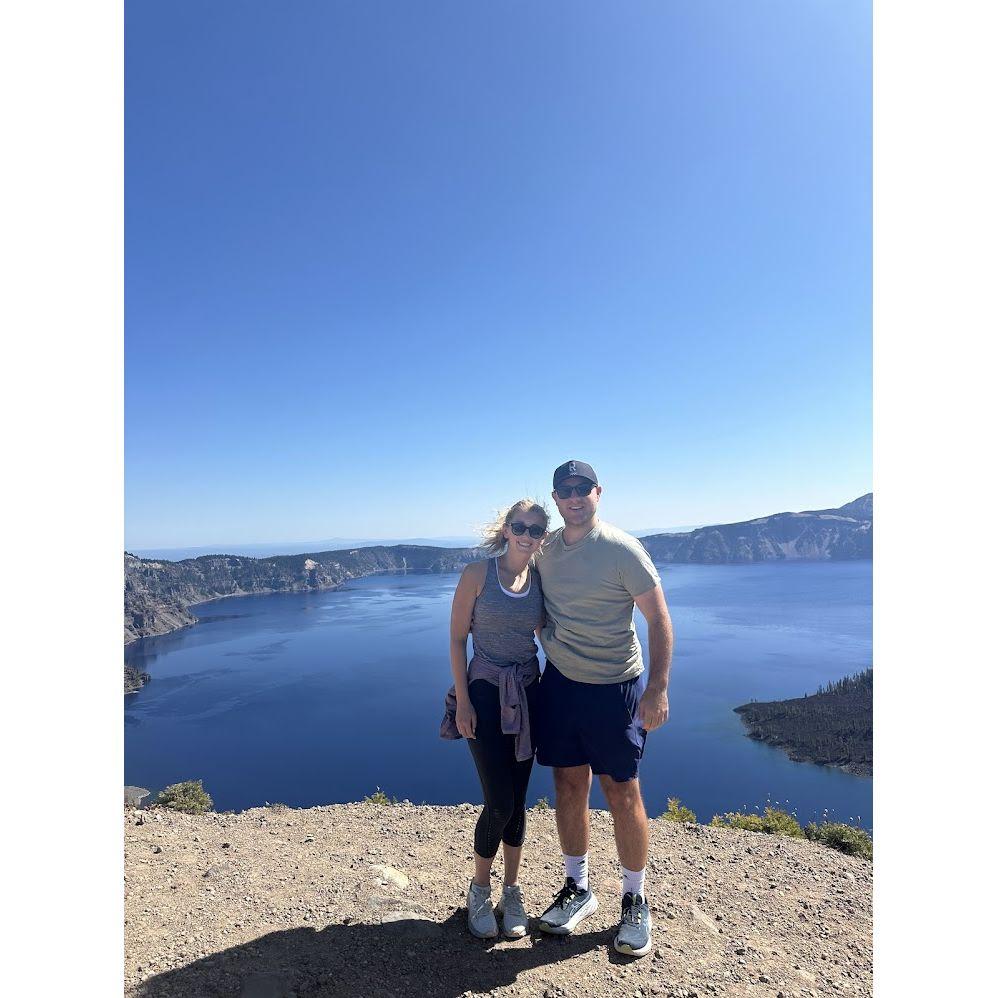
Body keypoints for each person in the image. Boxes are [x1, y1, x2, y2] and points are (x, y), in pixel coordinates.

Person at [532, 460, 674, 957]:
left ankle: (634, 898)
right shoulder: (544, 548)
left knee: (621, 790)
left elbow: (658, 619)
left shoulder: (620, 549)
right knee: (568, 783)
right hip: (562, 684)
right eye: (564, 490)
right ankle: (578, 888)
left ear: (598, 492)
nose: (574, 497)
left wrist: (657, 689)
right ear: (555, 498)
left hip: (615, 687)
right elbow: (520, 589)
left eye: (582, 488)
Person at [440, 499, 549, 939]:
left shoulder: (540, 579)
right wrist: (463, 701)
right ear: (506, 529)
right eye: (520, 526)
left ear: (543, 536)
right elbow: (455, 639)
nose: (526, 534)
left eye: (536, 529)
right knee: (499, 800)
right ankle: (480, 890)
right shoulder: (477, 574)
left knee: (519, 801)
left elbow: (547, 635)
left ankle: (512, 891)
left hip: (527, 692)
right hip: (485, 693)